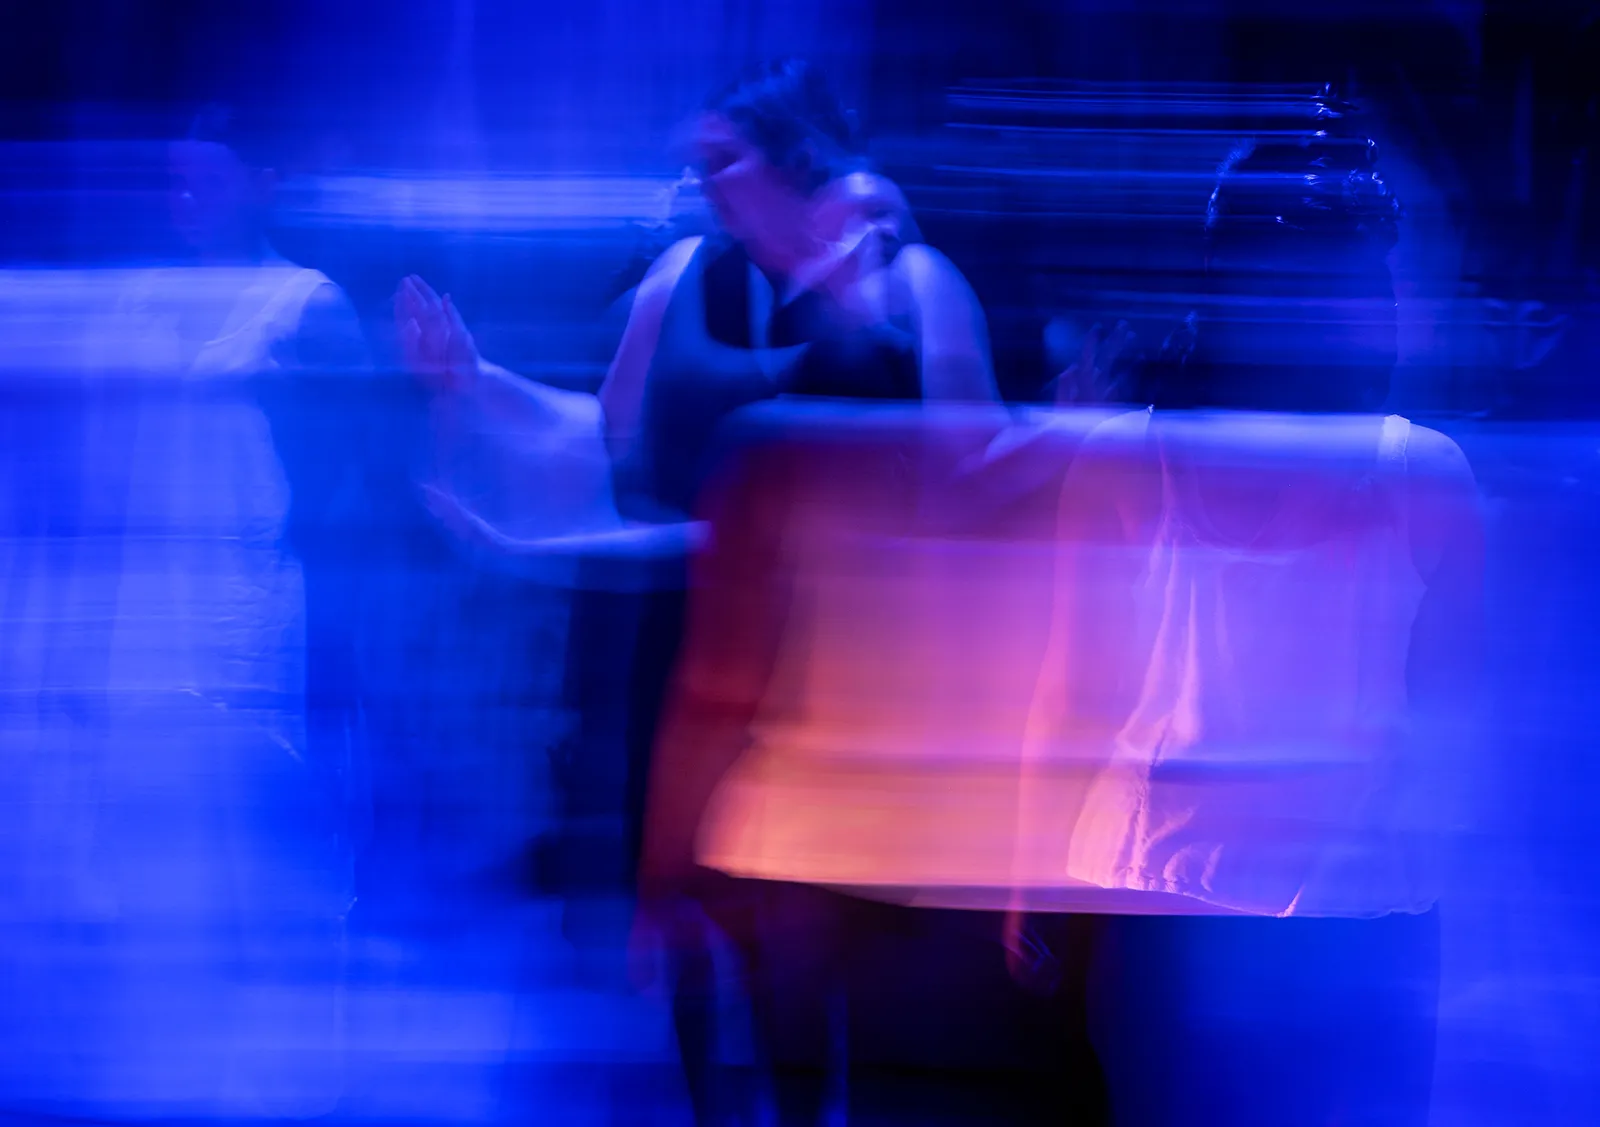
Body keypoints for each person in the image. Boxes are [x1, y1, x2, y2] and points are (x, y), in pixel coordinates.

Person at [395, 57, 998, 1126]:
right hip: (689, 666)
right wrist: (476, 382)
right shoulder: (681, 277)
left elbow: (974, 476)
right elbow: (604, 437)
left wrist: (857, 323)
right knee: (692, 937)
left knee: (817, 960)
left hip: (841, 684)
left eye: (722, 161)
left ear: (794, 156)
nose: (700, 185)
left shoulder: (915, 283)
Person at [1007, 129, 1485, 1126]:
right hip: (1341, 901)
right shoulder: (1423, 472)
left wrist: (1021, 874)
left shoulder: (1122, 460)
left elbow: (1072, 695)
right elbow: (1450, 717)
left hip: (1161, 887)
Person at [0, 101, 372, 1119]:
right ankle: (172, 1067)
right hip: (143, 598)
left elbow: (357, 472)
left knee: (262, 822)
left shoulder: (303, 303)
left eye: (204, 178)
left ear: (262, 183)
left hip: (248, 595)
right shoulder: (140, 301)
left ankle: (291, 1069)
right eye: (173, 179)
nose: (183, 198)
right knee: (153, 839)